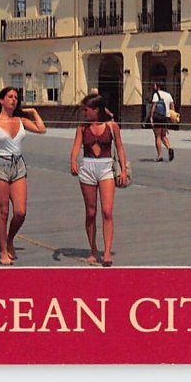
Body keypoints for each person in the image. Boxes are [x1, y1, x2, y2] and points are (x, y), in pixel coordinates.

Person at [0, 87, 46, 265]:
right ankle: (3, 251)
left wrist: (33, 111)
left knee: (20, 212)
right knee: (3, 212)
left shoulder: (21, 120)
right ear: (1, 100)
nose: (14, 100)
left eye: (16, 97)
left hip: (18, 166)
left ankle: (9, 239)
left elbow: (41, 129)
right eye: (10, 97)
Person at [70, 94, 127, 267]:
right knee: (90, 212)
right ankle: (93, 249)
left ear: (95, 110)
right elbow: (76, 146)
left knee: (107, 211)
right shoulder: (82, 127)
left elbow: (119, 147)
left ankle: (107, 251)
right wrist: (73, 160)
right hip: (87, 167)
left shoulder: (111, 126)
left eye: (86, 109)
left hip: (105, 167)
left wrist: (123, 170)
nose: (84, 112)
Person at [148, 82, 175, 161]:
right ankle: (169, 148)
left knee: (158, 136)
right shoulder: (168, 94)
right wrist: (171, 115)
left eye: (155, 85)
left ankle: (160, 155)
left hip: (158, 117)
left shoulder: (156, 95)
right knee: (163, 135)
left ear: (158, 86)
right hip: (165, 117)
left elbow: (154, 106)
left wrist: (151, 117)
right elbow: (172, 105)